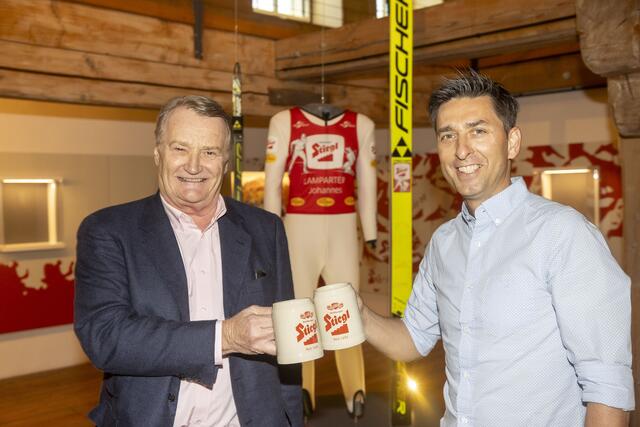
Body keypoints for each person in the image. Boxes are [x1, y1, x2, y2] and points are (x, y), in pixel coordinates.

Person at [359, 71, 635, 426]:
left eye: (478, 131)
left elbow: (607, 387)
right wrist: (361, 315)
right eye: (448, 135)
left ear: (512, 142)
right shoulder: (444, 242)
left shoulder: (563, 234)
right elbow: (412, 339)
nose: (461, 150)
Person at [74, 95, 302, 427]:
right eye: (180, 148)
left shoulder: (266, 229)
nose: (194, 166)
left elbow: (287, 344)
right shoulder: (108, 230)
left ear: (226, 162)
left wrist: (292, 420)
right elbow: (105, 337)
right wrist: (226, 336)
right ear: (158, 153)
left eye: (209, 152)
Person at [263, 105, 377, 417]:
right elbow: (272, 181)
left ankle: (355, 389)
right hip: (299, 227)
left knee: (346, 312)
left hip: (343, 228)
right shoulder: (284, 121)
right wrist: (271, 230)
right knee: (299, 312)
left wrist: (370, 229)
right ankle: (302, 389)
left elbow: (368, 180)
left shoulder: (361, 124)